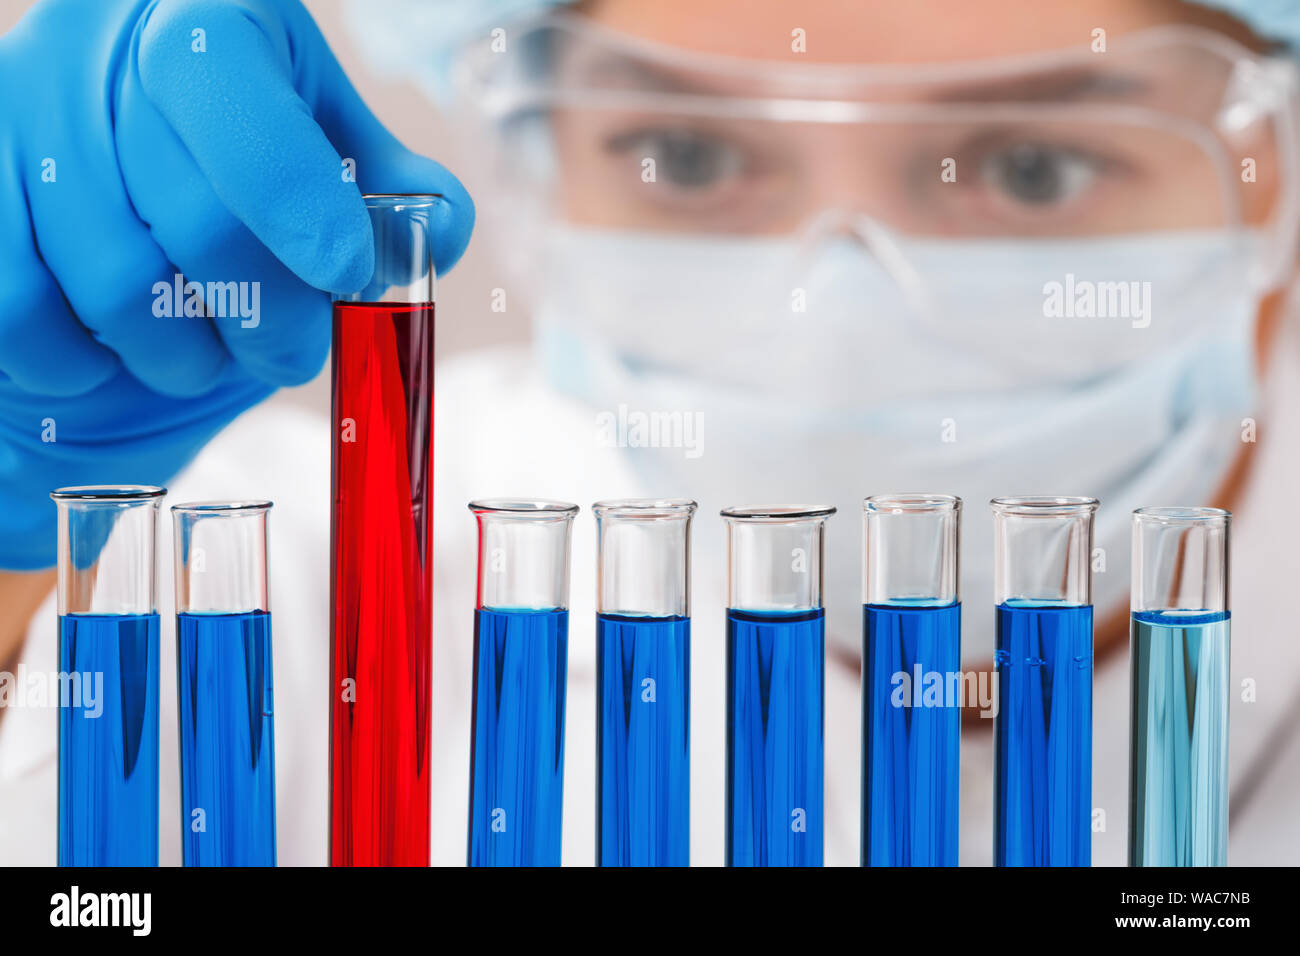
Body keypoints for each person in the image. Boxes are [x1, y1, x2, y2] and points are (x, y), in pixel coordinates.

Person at [1, 0, 1297, 866]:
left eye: (1034, 168)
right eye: (683, 152)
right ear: (535, 163)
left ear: (1272, 169)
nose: (833, 309)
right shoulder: (294, 571)